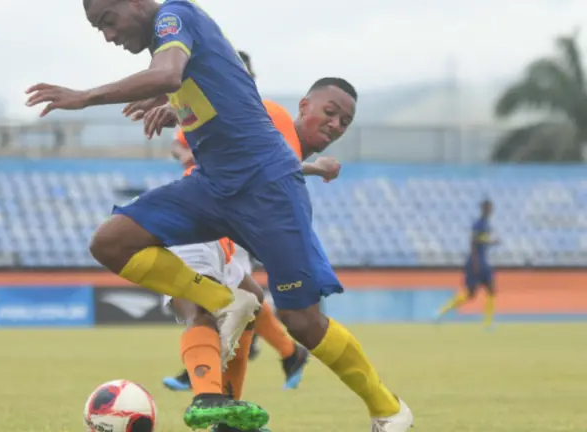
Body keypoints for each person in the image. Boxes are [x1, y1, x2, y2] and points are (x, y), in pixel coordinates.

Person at [24, 1, 414, 430]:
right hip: (213, 186)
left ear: (134, 2)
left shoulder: (173, 17)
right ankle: (224, 302)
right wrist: (178, 102)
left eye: (108, 22)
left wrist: (84, 97)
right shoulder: (174, 45)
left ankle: (388, 409)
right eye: (100, 28)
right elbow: (212, 83)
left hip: (267, 190)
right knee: (110, 242)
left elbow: (171, 72)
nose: (108, 36)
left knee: (301, 321)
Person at [163, 51, 310, 394]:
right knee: (239, 297)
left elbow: (286, 167)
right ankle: (284, 354)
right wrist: (187, 154)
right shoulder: (198, 105)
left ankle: (208, 372)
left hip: (241, 214)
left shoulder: (268, 114)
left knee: (225, 298)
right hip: (206, 206)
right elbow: (178, 144)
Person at [435, 199, 498, 329]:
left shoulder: (486, 225)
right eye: (489, 208)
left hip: (482, 260)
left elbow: (481, 241)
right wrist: (475, 262)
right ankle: (440, 311)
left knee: (491, 289)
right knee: (471, 293)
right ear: (484, 209)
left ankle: (487, 323)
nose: (491, 210)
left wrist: (491, 242)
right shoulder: (478, 224)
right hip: (476, 261)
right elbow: (473, 242)